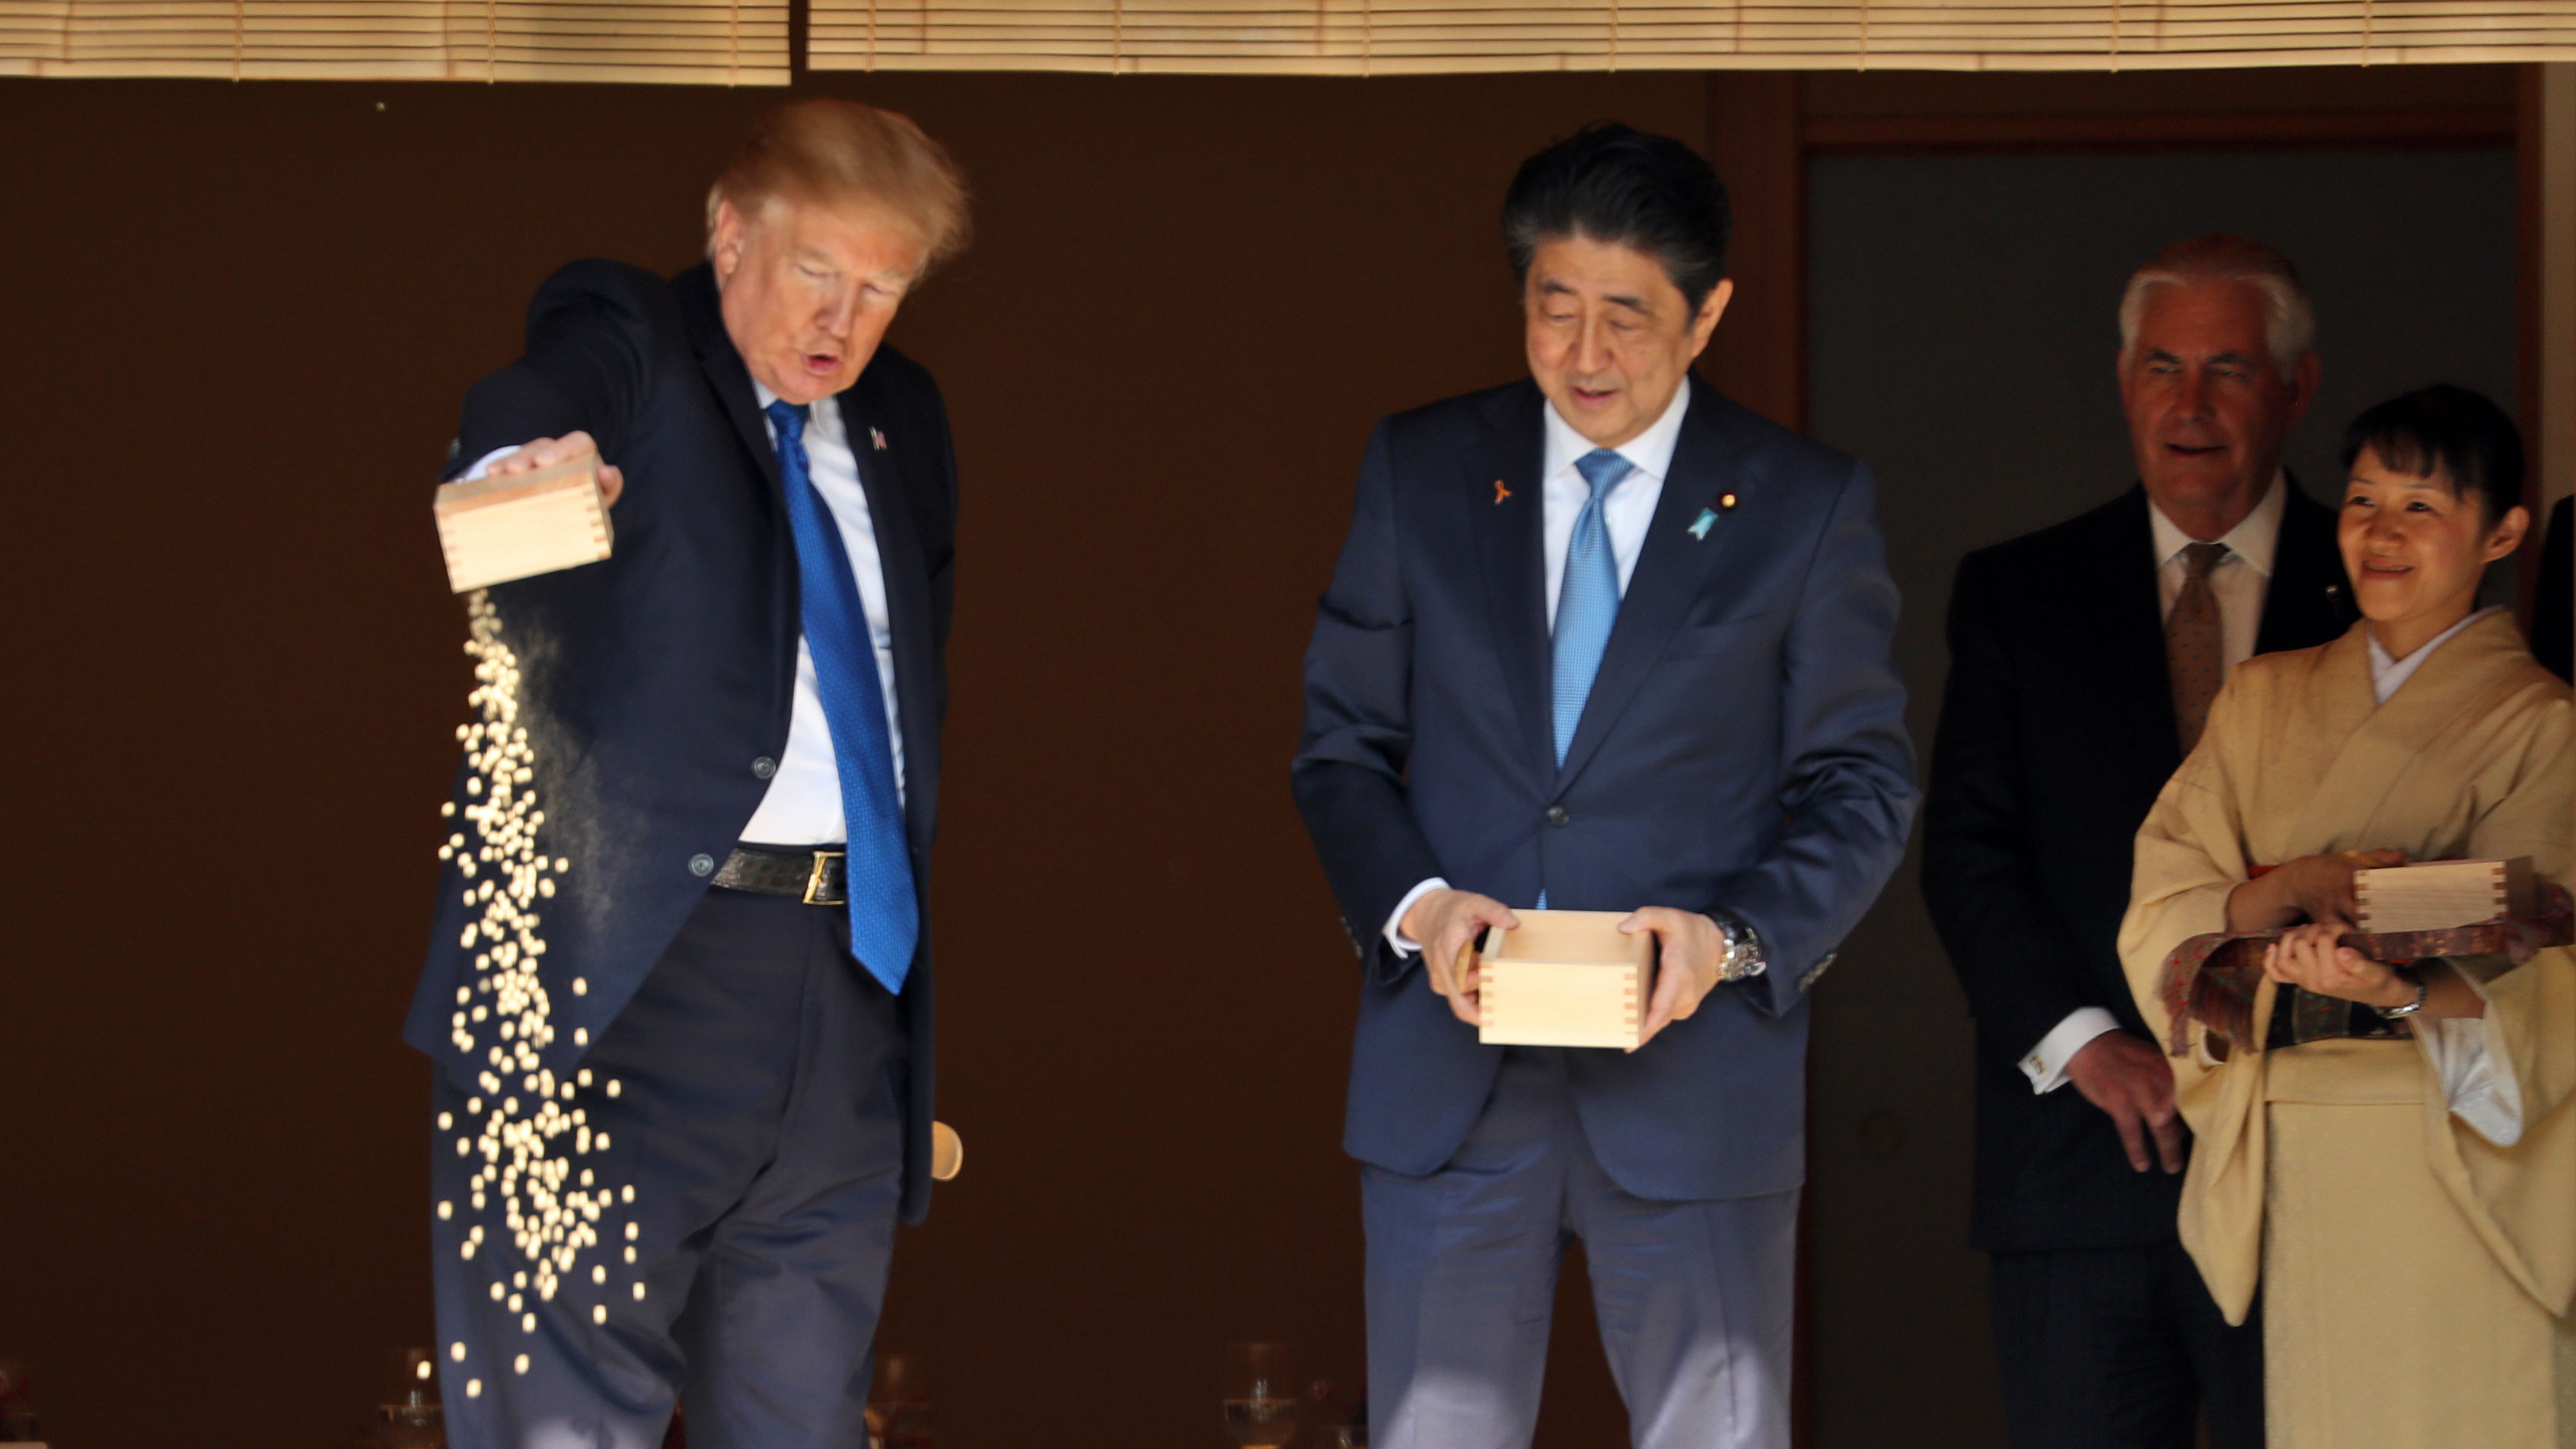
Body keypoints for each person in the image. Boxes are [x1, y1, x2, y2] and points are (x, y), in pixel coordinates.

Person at [1290, 123, 1915, 1449]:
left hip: (1695, 1082)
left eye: (1626, 317)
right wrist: (1419, 909)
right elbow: (1342, 744)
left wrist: (1732, 939)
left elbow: (1860, 781)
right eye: (1553, 309)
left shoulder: (1802, 503)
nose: (1584, 355)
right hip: (1451, 1079)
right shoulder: (1424, 469)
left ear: (1709, 316)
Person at [397, 100, 970, 1447]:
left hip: (844, 983)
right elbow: (539, 393)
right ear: (728, 232)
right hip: (623, 971)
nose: (843, 317)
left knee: (802, 1416)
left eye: (881, 287)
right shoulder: (636, 340)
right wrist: (521, 464)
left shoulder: (903, 420)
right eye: (816, 269)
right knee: (566, 1419)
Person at [1923, 233, 2354, 1447]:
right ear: (2123, 382)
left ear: (2296, 387)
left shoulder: (2374, 582)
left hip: (2312, 1166)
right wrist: (2087, 1042)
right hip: (2078, 1163)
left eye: (2228, 368)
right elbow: (1967, 853)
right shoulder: (2020, 590)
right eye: (2162, 366)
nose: (2191, 404)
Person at [2119, 384, 2574, 1447]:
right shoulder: (2263, 699)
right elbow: (2165, 892)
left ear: (2501, 531)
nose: (2382, 531)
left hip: (2457, 1161)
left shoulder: (2546, 725)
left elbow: (2550, 957)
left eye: (2422, 506)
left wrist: (2398, 989)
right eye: (2364, 499)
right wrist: (2277, 897)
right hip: (2303, 1147)